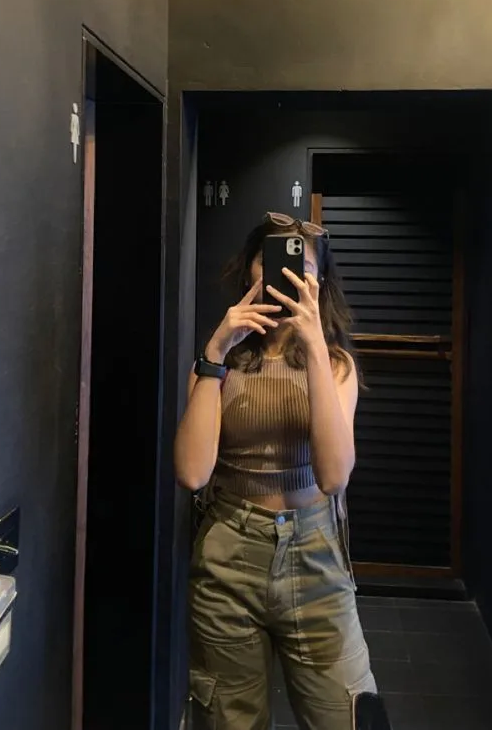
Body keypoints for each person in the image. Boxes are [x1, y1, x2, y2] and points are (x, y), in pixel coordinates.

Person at [175, 212, 386, 730]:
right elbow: (192, 473)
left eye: (304, 267)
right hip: (228, 552)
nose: (288, 274)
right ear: (251, 269)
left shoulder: (334, 364)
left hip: (316, 557)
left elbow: (334, 476)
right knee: (228, 719)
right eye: (271, 260)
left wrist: (312, 345)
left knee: (348, 714)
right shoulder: (220, 363)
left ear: (320, 284)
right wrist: (214, 351)